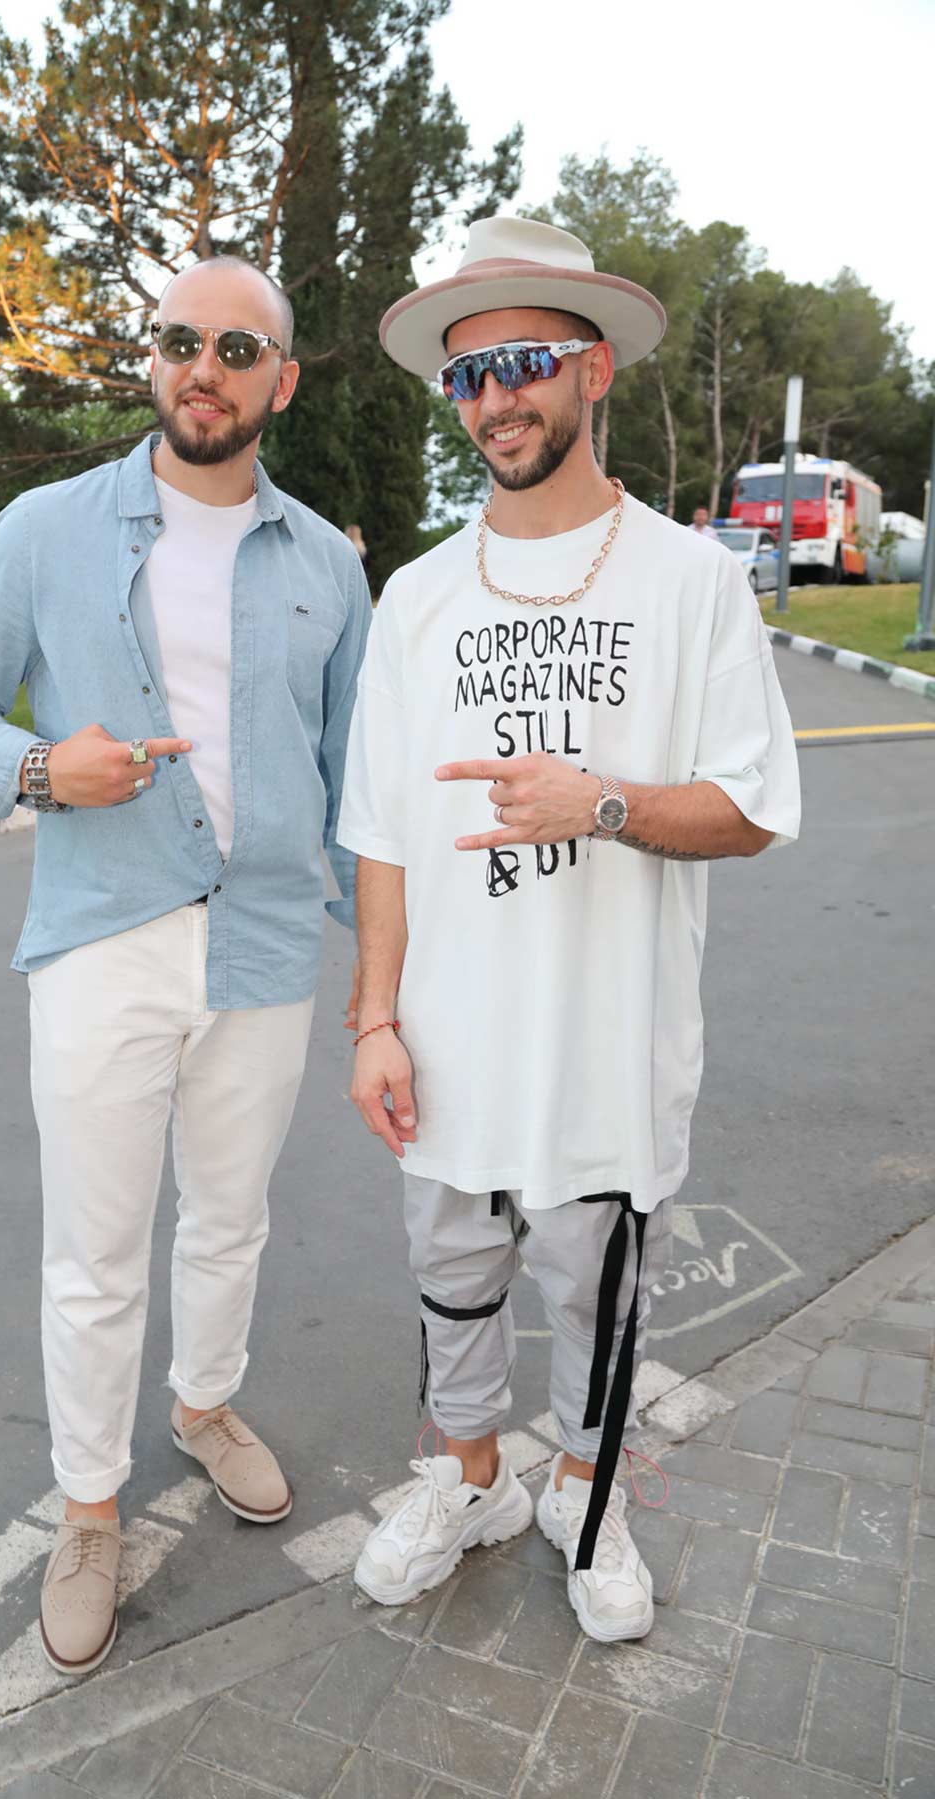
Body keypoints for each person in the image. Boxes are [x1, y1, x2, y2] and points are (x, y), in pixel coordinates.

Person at [337, 217, 800, 1643]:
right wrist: (373, 1018)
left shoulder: (690, 582)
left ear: (593, 370)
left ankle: (587, 1500)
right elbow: (383, 831)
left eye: (526, 363)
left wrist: (599, 804)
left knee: (596, 1292)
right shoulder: (417, 597)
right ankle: (470, 1481)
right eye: (468, 376)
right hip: (447, 1036)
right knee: (452, 1277)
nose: (497, 399)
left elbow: (750, 807)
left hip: (607, 1036)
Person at [0, 255, 372, 1677]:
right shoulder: (46, 530)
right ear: (153, 358)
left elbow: (353, 782)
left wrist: (393, 976)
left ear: (280, 382)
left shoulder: (328, 564)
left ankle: (206, 1404)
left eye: (238, 350)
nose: (203, 369)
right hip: (104, 940)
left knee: (230, 1220)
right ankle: (91, 1508)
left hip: (267, 941)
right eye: (181, 340)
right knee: (97, 1249)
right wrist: (42, 768)